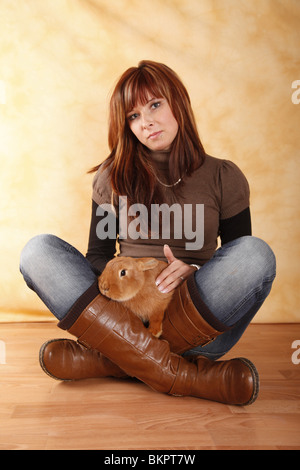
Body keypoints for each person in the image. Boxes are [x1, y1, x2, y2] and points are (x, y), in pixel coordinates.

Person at [20, 60, 276, 405]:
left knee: (256, 254)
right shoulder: (113, 177)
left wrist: (195, 269)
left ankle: (111, 360)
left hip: (195, 322)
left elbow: (238, 256)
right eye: (133, 116)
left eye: (155, 105)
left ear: (178, 102)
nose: (147, 121)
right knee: (38, 251)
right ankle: (183, 375)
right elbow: (97, 255)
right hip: (124, 316)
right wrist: (130, 287)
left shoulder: (223, 177)